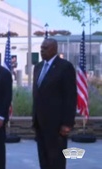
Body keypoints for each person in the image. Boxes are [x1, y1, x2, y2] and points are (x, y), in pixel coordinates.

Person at [32, 38, 77, 169]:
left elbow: (70, 97)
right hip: (40, 123)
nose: (42, 50)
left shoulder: (65, 67)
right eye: (41, 48)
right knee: (44, 159)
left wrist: (67, 123)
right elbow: (38, 94)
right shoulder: (38, 67)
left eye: (45, 48)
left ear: (54, 49)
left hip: (57, 125)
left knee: (56, 160)